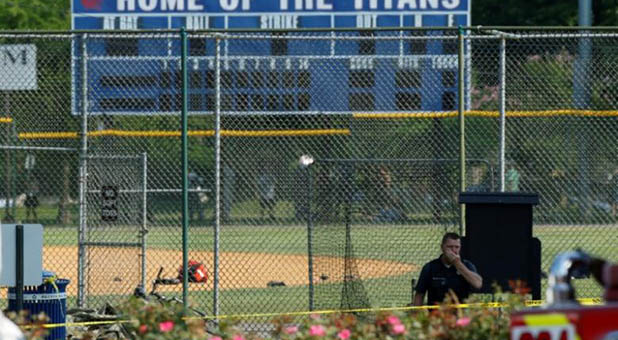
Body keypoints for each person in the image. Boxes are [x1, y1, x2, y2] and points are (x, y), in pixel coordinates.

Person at [413, 232, 482, 306]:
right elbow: (419, 294)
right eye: (450, 247)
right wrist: (417, 314)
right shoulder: (430, 267)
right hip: (437, 315)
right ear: (442, 247)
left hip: (461, 314)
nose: (453, 250)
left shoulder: (467, 265)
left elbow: (478, 284)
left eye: (457, 247)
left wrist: (458, 264)